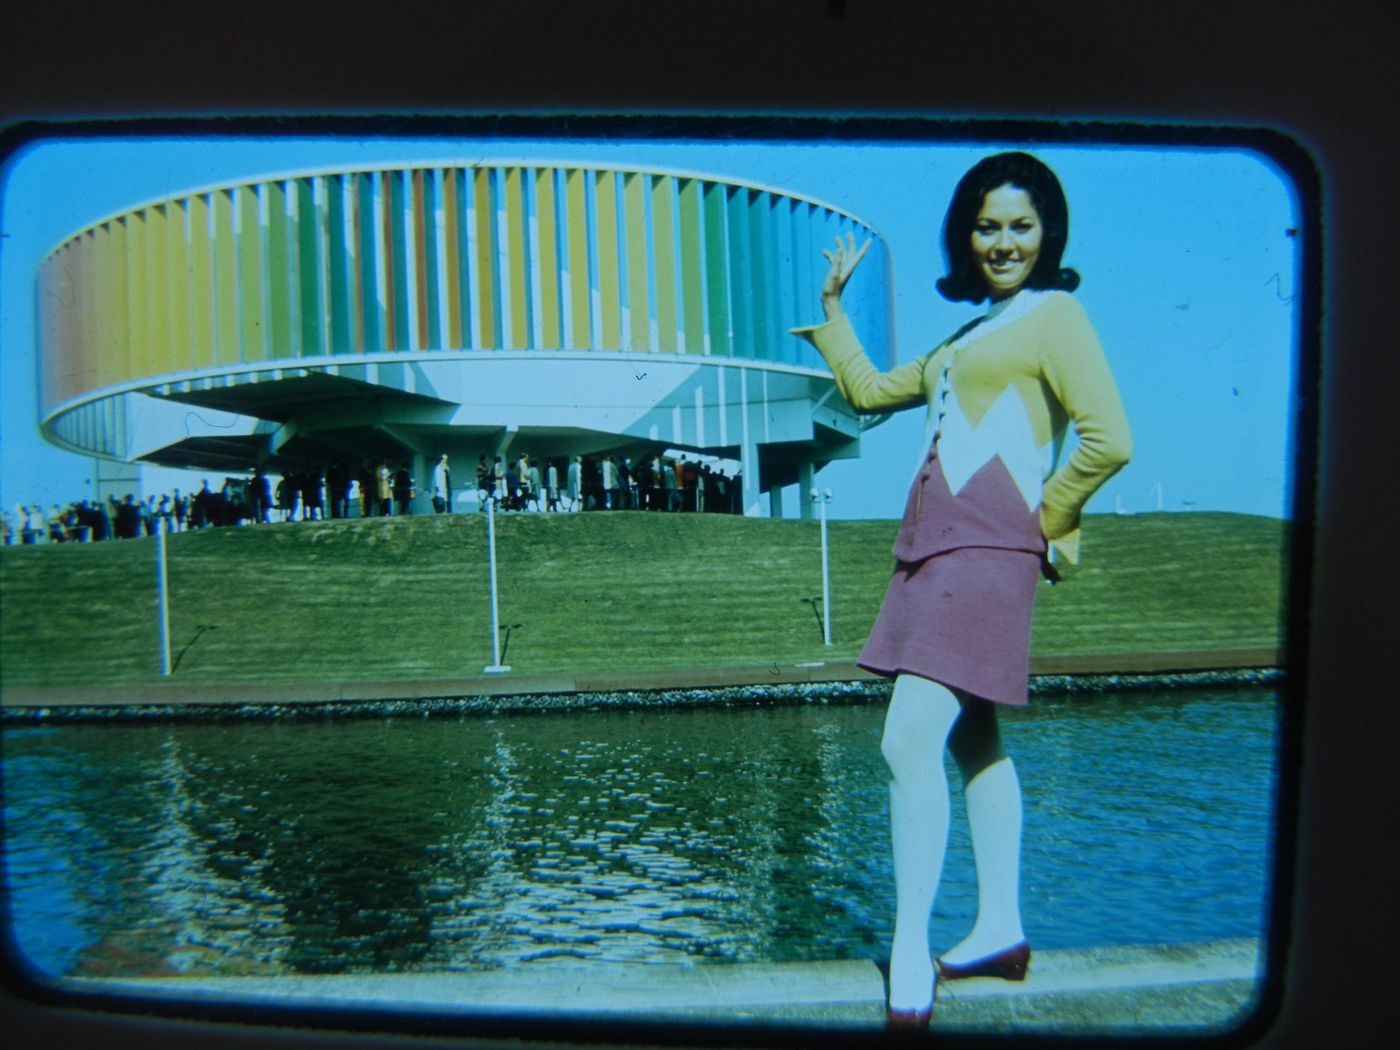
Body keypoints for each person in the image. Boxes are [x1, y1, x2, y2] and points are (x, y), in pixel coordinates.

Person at [792, 152, 1131, 1029]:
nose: (1005, 241)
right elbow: (867, 394)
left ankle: (911, 952)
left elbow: (1108, 439)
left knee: (907, 742)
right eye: (988, 225)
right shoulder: (965, 338)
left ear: (1049, 231)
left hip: (986, 551)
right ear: (965, 234)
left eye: (1022, 224)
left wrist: (1043, 519)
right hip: (931, 554)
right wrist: (833, 317)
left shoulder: (1057, 315)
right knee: (972, 736)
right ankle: (999, 931)